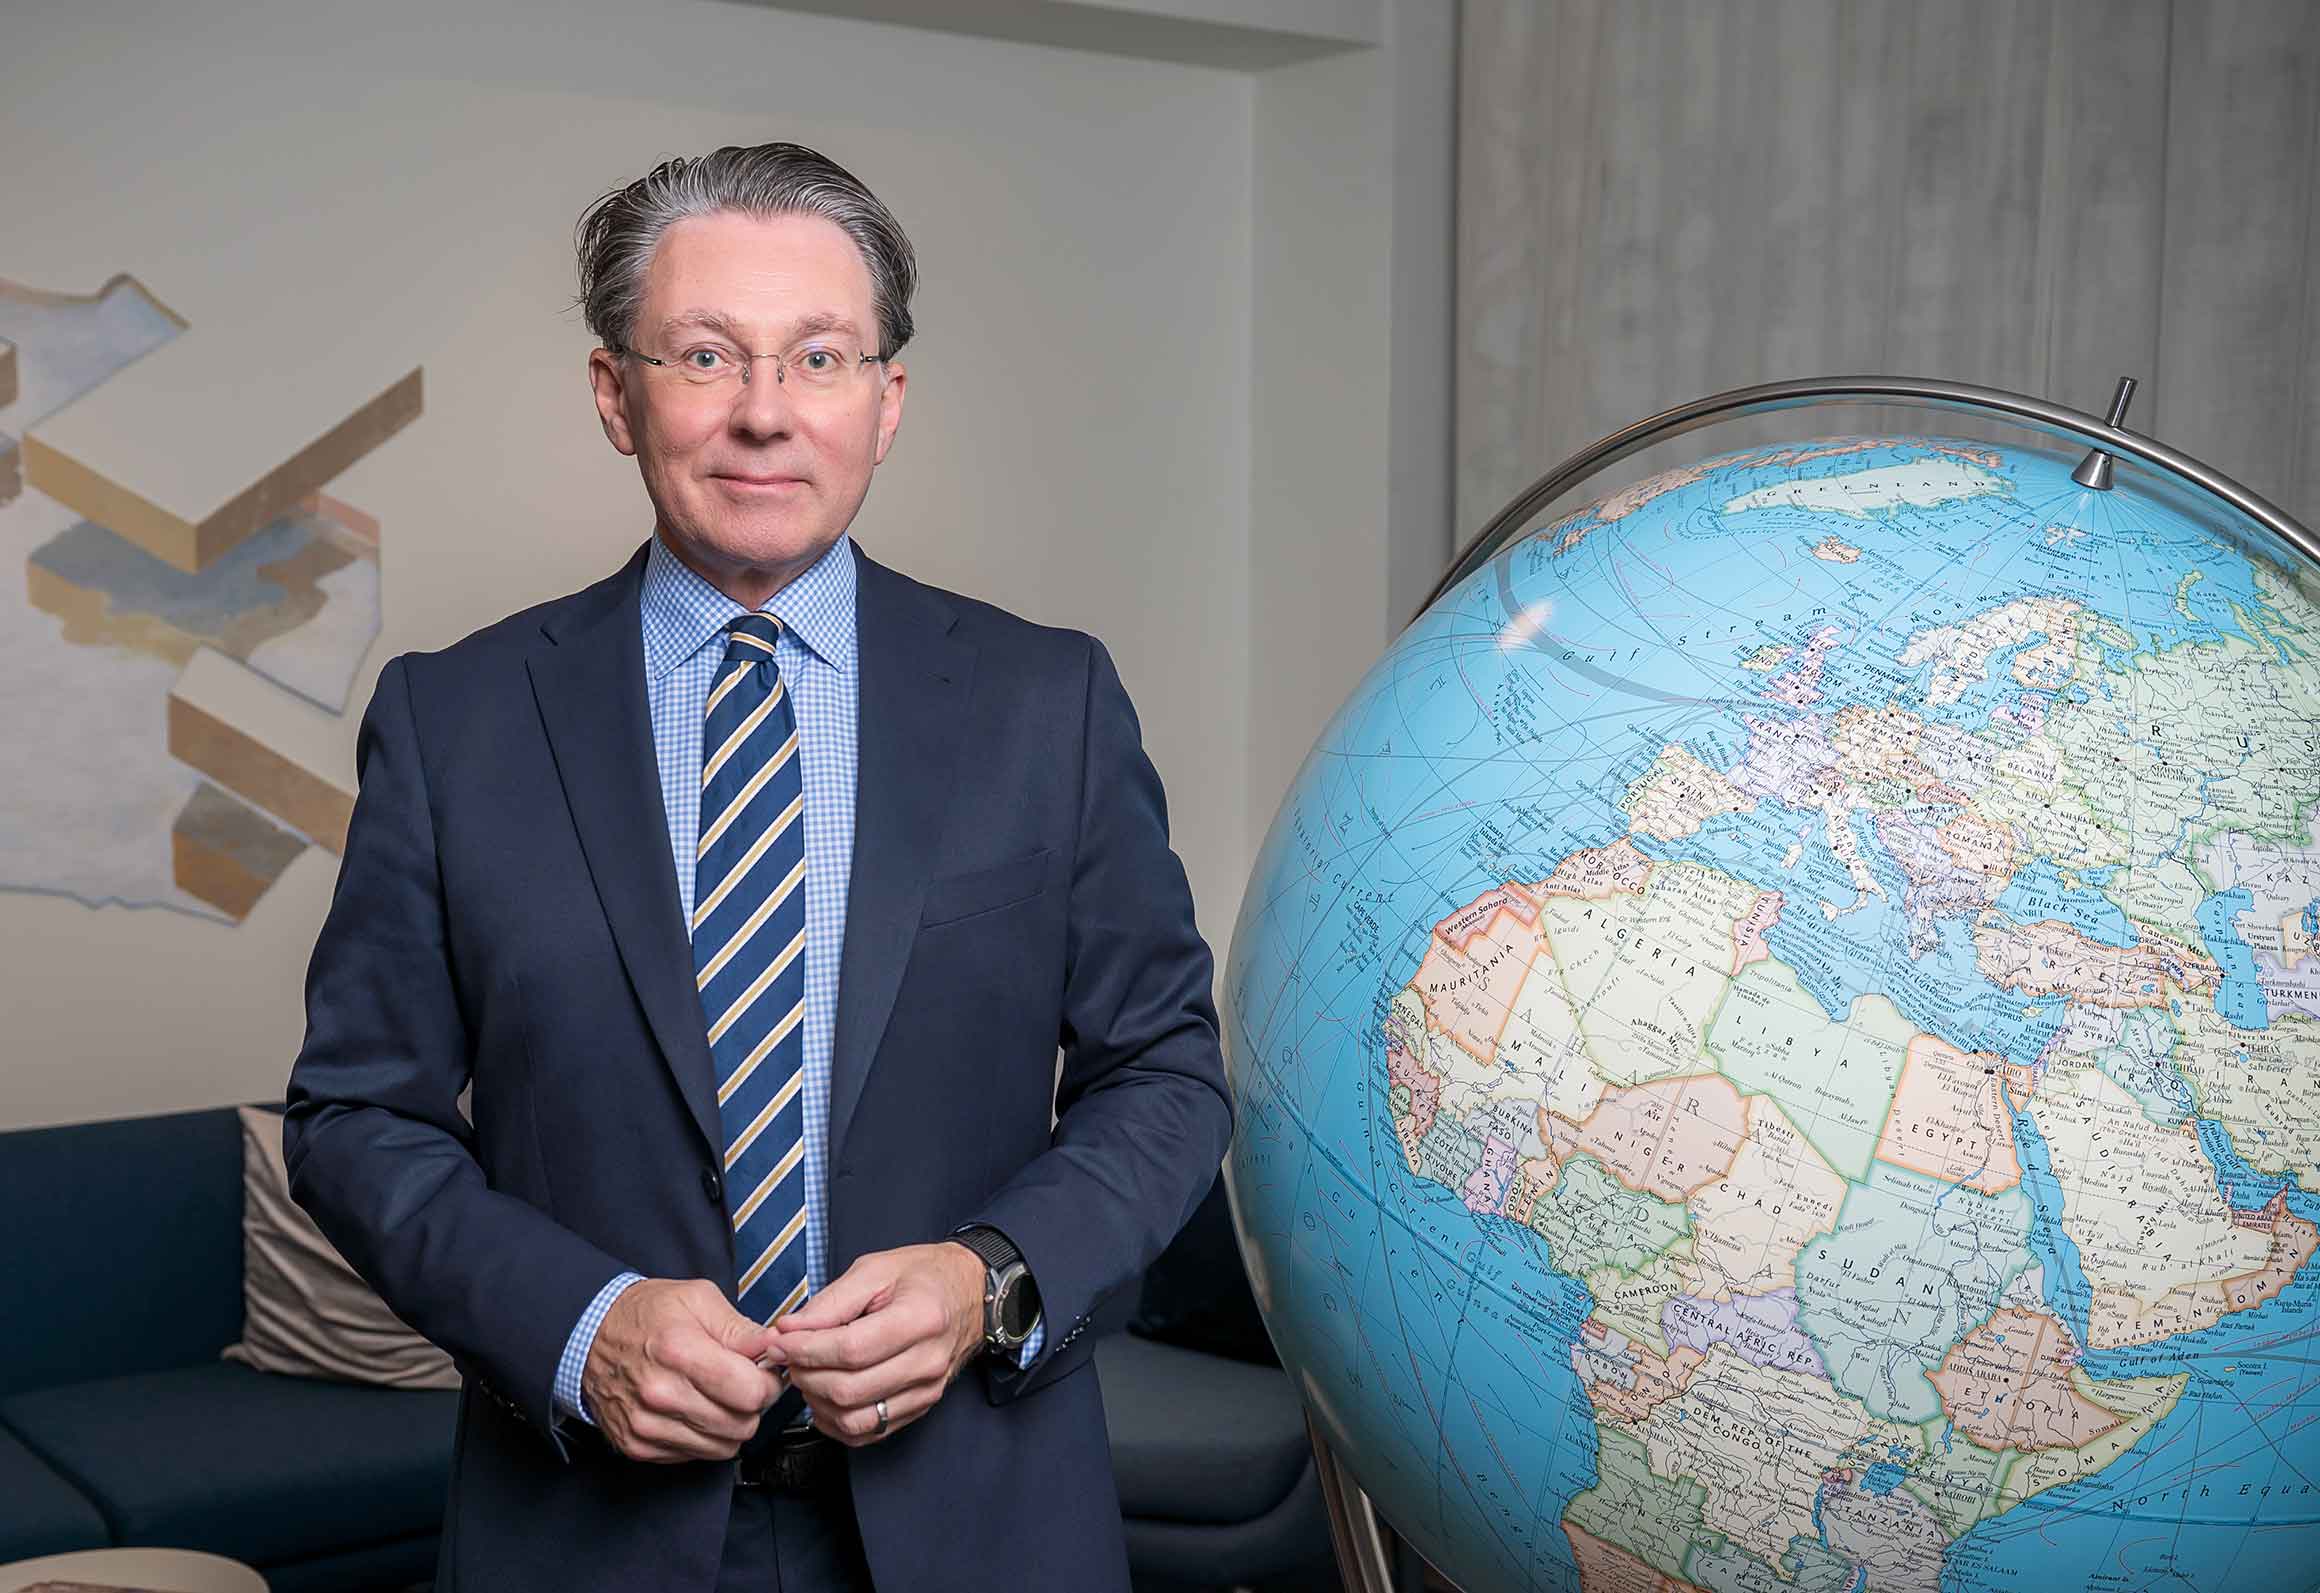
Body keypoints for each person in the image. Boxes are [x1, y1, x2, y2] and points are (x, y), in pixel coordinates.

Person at [283, 141, 1234, 1593]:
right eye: (707, 355)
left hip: (978, 1521)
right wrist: (579, 1324)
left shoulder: (1052, 705)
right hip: (584, 1533)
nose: (765, 416)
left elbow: (1165, 1073)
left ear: (887, 400)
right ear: (617, 395)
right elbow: (356, 1116)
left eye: (821, 357)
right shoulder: (452, 720)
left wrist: (993, 1276)